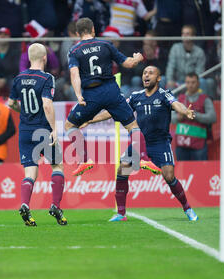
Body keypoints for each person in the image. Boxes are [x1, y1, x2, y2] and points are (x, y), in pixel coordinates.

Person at [82, 66, 199, 222]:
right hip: (140, 142)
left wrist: (185, 111)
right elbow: (115, 110)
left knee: (169, 176)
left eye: (150, 73)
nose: (146, 75)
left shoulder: (164, 95)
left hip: (160, 143)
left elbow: (176, 104)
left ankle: (188, 209)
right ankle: (121, 214)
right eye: (144, 73)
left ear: (158, 78)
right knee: (122, 170)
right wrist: (90, 119)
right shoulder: (136, 96)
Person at [65, 17, 160, 176]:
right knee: (133, 126)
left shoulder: (74, 51)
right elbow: (128, 63)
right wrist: (136, 58)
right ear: (93, 29)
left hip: (91, 94)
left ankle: (84, 160)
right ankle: (143, 157)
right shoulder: (106, 45)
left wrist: (78, 95)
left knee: (70, 126)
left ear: (77, 33)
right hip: (111, 91)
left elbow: (74, 74)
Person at [8, 43, 67, 227]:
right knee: (57, 166)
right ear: (44, 58)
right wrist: (54, 129)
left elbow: (11, 103)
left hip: (25, 130)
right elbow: (47, 105)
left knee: (30, 172)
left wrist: (24, 111)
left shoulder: (18, 78)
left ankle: (25, 204)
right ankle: (55, 206)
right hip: (42, 129)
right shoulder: (46, 77)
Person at [173, 72, 216, 161]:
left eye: (193, 82)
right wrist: (178, 117)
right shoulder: (179, 99)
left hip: (198, 144)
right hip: (182, 144)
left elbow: (213, 117)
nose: (190, 85)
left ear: (198, 83)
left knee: (200, 171)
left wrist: (194, 115)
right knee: (182, 172)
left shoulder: (205, 99)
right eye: (188, 82)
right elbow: (170, 118)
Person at [165, 24, 215, 98]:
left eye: (187, 34)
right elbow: (170, 66)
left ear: (193, 36)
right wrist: (170, 80)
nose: (184, 36)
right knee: (163, 79)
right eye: (183, 33)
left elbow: (199, 72)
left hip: (192, 82)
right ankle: (170, 108)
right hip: (178, 81)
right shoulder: (175, 48)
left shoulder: (199, 52)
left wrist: (190, 83)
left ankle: (202, 106)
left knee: (204, 82)